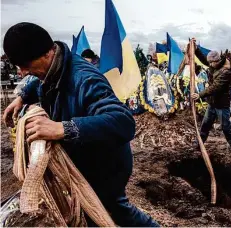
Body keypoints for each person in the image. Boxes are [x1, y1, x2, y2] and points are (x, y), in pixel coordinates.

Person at [3, 22, 159, 227]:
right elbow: (39, 82)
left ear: (46, 54)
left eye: (26, 66)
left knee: (112, 209)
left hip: (107, 161)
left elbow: (123, 121)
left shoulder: (84, 79)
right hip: (87, 153)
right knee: (90, 210)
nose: (23, 73)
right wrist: (22, 97)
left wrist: (61, 128)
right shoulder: (54, 66)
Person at [190, 38, 231, 152]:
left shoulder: (226, 71)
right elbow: (204, 60)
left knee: (226, 128)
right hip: (212, 103)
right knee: (205, 125)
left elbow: (215, 87)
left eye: (211, 63)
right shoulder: (215, 64)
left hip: (221, 104)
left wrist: (200, 95)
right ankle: (199, 144)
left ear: (217, 61)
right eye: (209, 63)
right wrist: (196, 50)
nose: (210, 65)